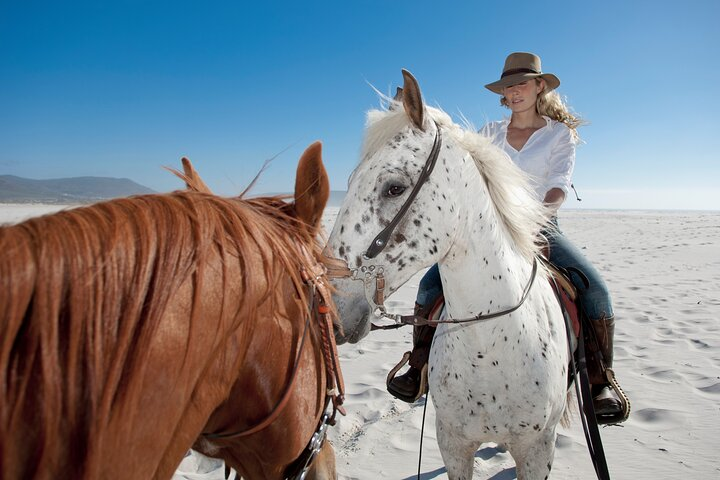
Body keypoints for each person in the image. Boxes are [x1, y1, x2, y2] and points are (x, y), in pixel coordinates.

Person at [387, 52, 626, 422]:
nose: (514, 91)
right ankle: (418, 365)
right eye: (508, 86)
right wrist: (417, 108)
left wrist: (534, 218)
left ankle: (600, 380)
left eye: (522, 84)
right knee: (430, 287)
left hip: (541, 227)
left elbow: (558, 187)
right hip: (486, 231)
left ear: (539, 86)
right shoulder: (489, 133)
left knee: (595, 291)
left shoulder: (558, 134)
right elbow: (448, 139)